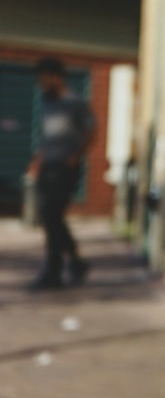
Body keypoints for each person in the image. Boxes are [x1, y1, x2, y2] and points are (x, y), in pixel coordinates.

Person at [28, 56, 93, 289]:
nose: (41, 83)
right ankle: (75, 261)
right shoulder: (47, 103)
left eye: (44, 78)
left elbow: (91, 130)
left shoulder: (74, 102)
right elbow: (48, 137)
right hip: (48, 166)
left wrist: (76, 155)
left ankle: (53, 271)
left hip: (65, 168)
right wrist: (38, 160)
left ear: (56, 77)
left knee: (52, 215)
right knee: (50, 217)